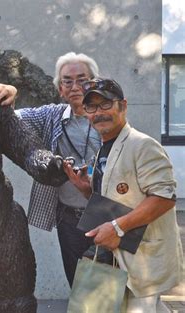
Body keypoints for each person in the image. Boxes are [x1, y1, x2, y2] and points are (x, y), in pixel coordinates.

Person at [0, 52, 111, 287]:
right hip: (70, 219)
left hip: (107, 213)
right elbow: (11, 121)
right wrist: (11, 91)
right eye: (67, 81)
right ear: (60, 89)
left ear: (94, 83)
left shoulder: (109, 118)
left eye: (82, 79)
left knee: (105, 291)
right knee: (80, 287)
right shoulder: (51, 116)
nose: (75, 86)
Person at [64, 78, 183, 312]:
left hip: (142, 259)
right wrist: (87, 190)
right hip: (116, 257)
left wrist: (117, 227)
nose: (99, 113)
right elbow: (115, 199)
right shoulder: (104, 148)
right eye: (92, 107)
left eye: (105, 104)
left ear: (123, 105)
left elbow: (164, 198)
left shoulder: (143, 145)